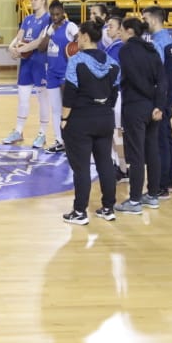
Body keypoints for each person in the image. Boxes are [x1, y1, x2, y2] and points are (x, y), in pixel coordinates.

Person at [59, 19, 120, 224]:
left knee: (82, 167)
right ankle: (108, 208)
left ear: (85, 36)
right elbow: (114, 93)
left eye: (79, 36)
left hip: (81, 121)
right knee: (105, 164)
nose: (77, 39)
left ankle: (79, 212)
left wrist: (64, 118)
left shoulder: (76, 61)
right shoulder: (112, 63)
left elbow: (69, 95)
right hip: (105, 119)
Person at [116, 16, 166, 215]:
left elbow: (134, 79)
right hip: (152, 109)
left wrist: (149, 98)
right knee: (152, 151)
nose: (119, 33)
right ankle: (153, 195)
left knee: (136, 155)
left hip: (136, 107)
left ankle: (135, 199)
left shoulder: (126, 50)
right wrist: (158, 105)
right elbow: (163, 80)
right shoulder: (151, 49)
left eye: (121, 29)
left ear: (129, 31)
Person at [3, 0, 53, 146]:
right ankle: (18, 131)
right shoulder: (27, 19)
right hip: (26, 64)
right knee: (22, 99)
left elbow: (39, 41)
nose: (32, 2)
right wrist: (12, 48)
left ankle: (42, 133)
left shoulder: (48, 19)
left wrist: (21, 50)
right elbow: (19, 38)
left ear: (43, 1)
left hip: (40, 63)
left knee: (42, 100)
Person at [143, 5, 172, 197]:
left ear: (154, 20)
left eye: (145, 18)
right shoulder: (169, 41)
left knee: (160, 141)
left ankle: (162, 185)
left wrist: (159, 101)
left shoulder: (159, 43)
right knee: (167, 137)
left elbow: (159, 75)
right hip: (169, 94)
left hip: (162, 96)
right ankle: (170, 180)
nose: (143, 22)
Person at [42, 0, 79, 154]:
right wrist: (48, 34)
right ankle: (59, 140)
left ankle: (73, 139)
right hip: (51, 73)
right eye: (52, 15)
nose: (55, 17)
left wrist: (73, 45)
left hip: (66, 73)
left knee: (68, 108)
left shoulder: (70, 26)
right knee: (55, 108)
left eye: (57, 14)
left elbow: (80, 41)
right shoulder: (49, 28)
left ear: (63, 12)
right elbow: (40, 48)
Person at [98, 14, 129, 178]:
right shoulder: (113, 47)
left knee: (117, 133)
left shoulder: (117, 48)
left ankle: (123, 168)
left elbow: (111, 73)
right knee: (113, 132)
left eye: (111, 26)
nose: (107, 28)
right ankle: (118, 164)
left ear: (119, 31)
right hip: (114, 94)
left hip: (117, 94)